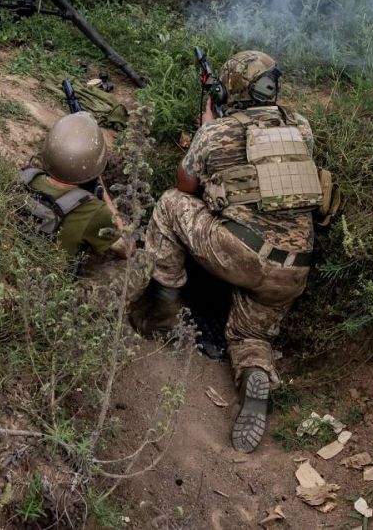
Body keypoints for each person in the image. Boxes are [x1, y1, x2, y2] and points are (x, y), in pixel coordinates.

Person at [138, 50, 337, 453]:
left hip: (242, 255)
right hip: (293, 268)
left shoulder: (215, 133)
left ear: (233, 89)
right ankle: (255, 371)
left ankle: (160, 312)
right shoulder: (301, 127)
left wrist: (206, 130)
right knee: (248, 333)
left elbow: (185, 186)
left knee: (168, 206)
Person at [20, 112, 134, 280]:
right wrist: (105, 198)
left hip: (16, 265)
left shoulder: (27, 177)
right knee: (139, 264)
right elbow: (128, 249)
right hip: (49, 286)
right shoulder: (94, 210)